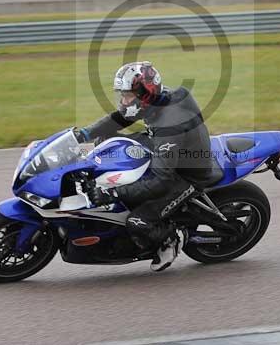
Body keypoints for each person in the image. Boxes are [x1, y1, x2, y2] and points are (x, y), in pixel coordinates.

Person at [76, 61, 219, 272]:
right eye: (122, 95)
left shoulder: (170, 123)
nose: (123, 101)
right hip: (166, 150)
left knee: (137, 222)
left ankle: (171, 239)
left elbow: (161, 180)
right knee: (105, 142)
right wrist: (83, 134)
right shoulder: (157, 101)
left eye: (127, 96)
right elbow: (120, 118)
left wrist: (113, 193)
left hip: (186, 175)